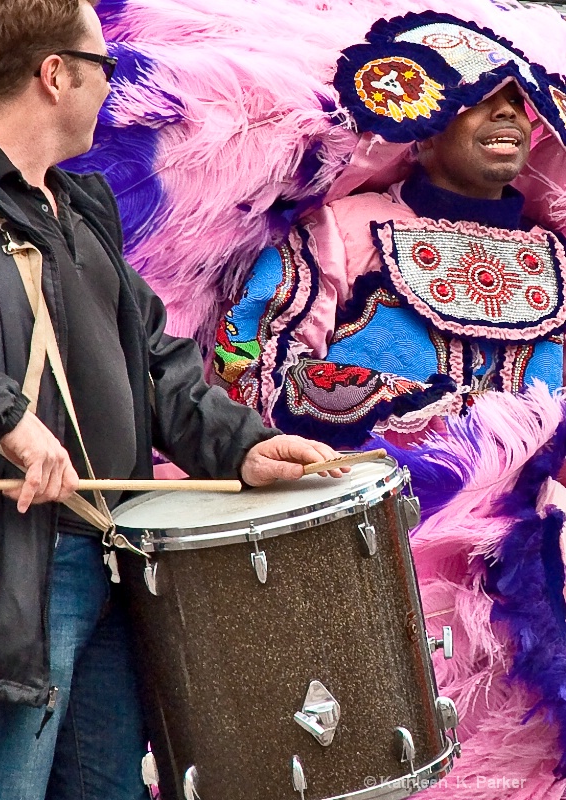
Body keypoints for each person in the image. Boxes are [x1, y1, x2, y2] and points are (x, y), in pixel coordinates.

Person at [0, 1, 348, 799]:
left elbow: (155, 362)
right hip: (5, 580)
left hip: (110, 557)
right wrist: (0, 412)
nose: (110, 89)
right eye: (105, 68)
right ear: (54, 74)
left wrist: (240, 446)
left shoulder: (77, 208)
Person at [214, 16, 566, 797]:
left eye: (519, 101)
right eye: (482, 101)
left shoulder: (560, 260)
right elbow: (251, 369)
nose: (508, 115)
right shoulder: (342, 232)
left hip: (538, 586)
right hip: (371, 560)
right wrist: (447, 427)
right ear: (423, 126)